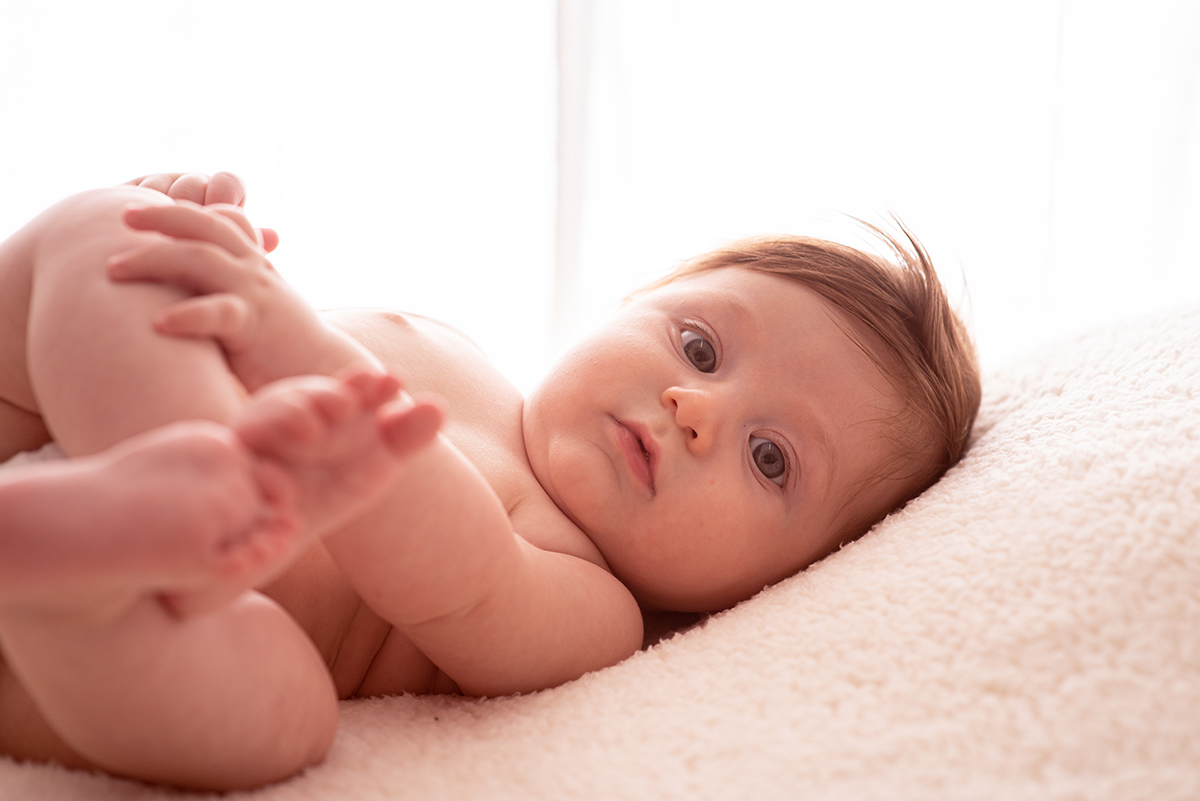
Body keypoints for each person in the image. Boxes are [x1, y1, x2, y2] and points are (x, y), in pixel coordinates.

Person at [0, 173, 980, 790]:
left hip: (145, 619)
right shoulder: (455, 348)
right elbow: (211, 315)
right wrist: (206, 249)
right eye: (700, 344)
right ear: (634, 298)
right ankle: (140, 498)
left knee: (283, 719)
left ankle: (79, 566)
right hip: (85, 409)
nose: (697, 408)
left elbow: (448, 564)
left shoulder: (592, 606)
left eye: (770, 458)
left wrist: (286, 333)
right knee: (111, 235)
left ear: (784, 578)